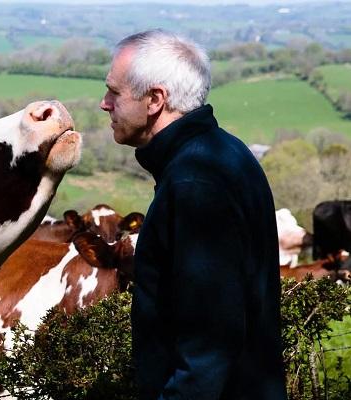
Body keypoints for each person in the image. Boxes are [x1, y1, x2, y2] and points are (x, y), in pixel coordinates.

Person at [100, 29, 287, 399]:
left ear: (155, 99)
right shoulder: (221, 153)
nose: (105, 103)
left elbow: (208, 347)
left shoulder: (195, 184)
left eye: (114, 92)